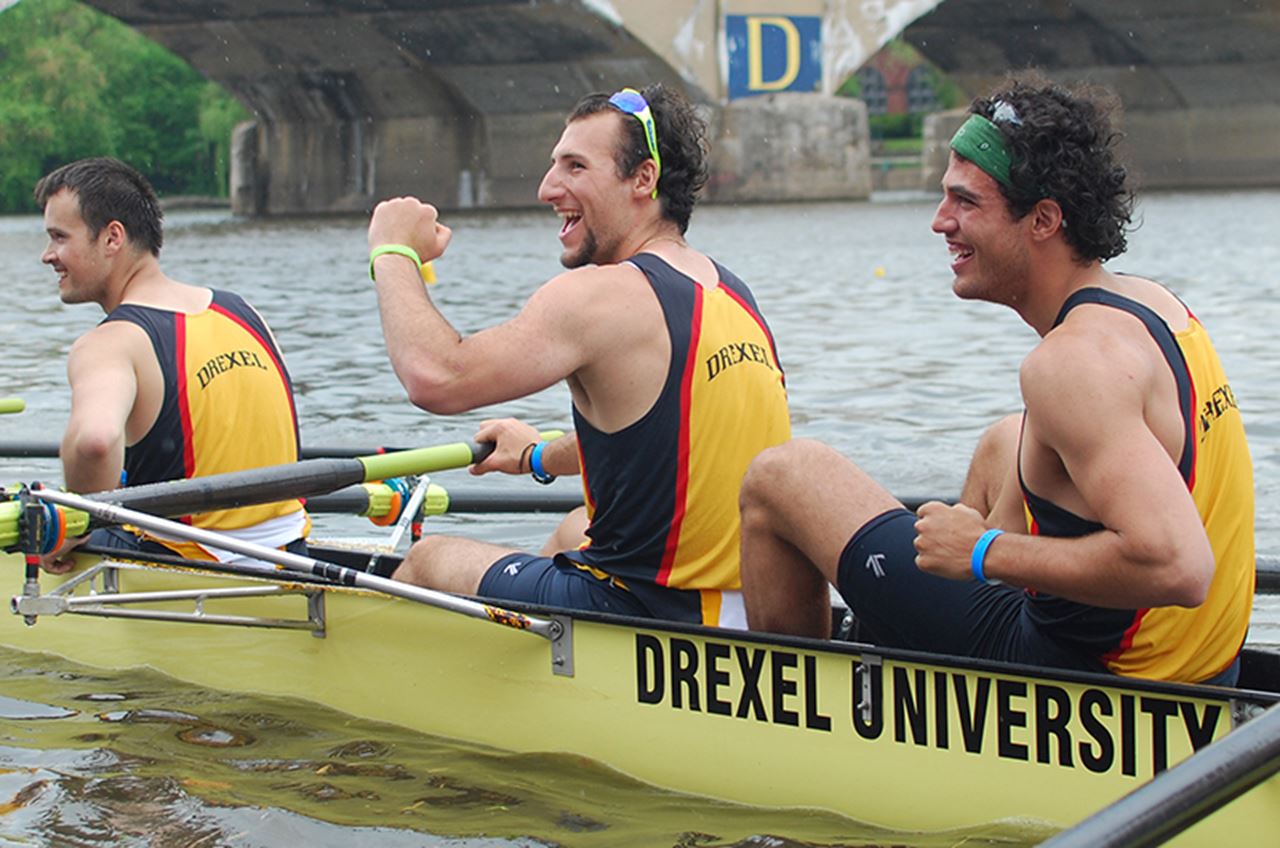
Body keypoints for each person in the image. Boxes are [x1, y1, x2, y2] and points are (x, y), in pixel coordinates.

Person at [738, 75, 1253, 685]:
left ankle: (797, 718)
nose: (939, 222)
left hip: (1091, 682)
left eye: (966, 203)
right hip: (1204, 669)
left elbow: (1180, 568)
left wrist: (981, 553)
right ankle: (910, 648)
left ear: (1042, 220)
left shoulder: (1070, 365)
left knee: (782, 476)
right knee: (1004, 442)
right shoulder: (1155, 306)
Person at [366, 84, 790, 627]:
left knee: (428, 561)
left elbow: (436, 378)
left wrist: (392, 250)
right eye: (554, 166)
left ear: (643, 179)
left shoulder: (600, 295)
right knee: (574, 527)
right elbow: (671, 444)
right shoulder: (733, 294)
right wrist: (535, 457)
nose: (547, 188)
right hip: (749, 607)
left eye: (575, 167)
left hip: (653, 616)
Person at [35, 157, 309, 569]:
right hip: (289, 555)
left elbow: (95, 441)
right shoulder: (242, 311)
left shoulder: (109, 343)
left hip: (184, 568)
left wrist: (76, 528)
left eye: (59, 237)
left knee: (39, 528)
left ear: (112, 238)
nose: (47, 255)